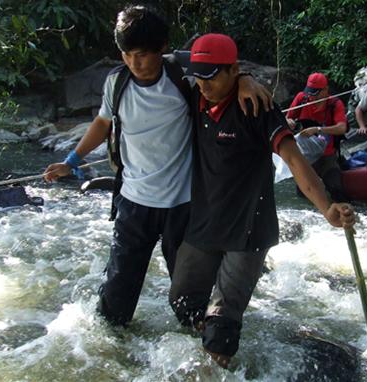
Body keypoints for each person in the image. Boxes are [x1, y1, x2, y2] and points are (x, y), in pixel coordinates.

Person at [42, 6, 271, 327]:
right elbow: (101, 123)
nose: (135, 63)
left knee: (188, 297)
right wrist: (71, 161)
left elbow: (222, 69)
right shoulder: (116, 83)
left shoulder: (181, 73)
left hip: (184, 207)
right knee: (116, 300)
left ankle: (197, 345)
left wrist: (245, 79)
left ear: (161, 48)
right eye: (128, 54)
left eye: (143, 55)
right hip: (133, 205)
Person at [168, 34, 357, 369]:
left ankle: (218, 354)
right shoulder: (196, 94)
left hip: (248, 229)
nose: (203, 83)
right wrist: (242, 79)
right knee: (183, 302)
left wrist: (327, 208)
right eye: (198, 75)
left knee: (222, 325)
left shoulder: (256, 107)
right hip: (205, 222)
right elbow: (161, 61)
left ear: (233, 69)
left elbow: (295, 160)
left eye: (212, 75)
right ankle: (205, 342)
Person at [285, 72, 348, 201]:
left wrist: (318, 129)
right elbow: (288, 117)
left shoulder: (335, 104)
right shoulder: (302, 98)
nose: (311, 97)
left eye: (315, 93)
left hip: (327, 155)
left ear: (325, 90)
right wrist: (289, 122)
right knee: (302, 193)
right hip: (305, 156)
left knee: (336, 189)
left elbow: (342, 128)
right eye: (309, 92)